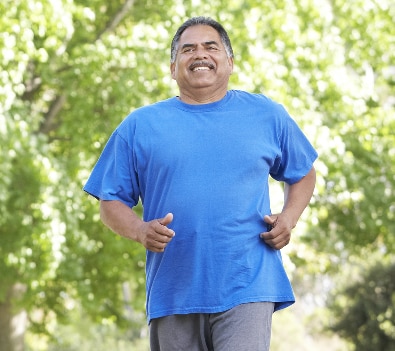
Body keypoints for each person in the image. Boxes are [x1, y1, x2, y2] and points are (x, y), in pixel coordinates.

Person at [83, 16, 317, 351]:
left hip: (247, 281)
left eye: (211, 46)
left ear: (230, 62)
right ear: (173, 67)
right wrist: (140, 230)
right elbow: (110, 202)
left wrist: (288, 219)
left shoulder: (267, 115)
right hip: (173, 288)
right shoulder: (140, 126)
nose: (200, 54)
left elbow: (303, 173)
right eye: (188, 49)